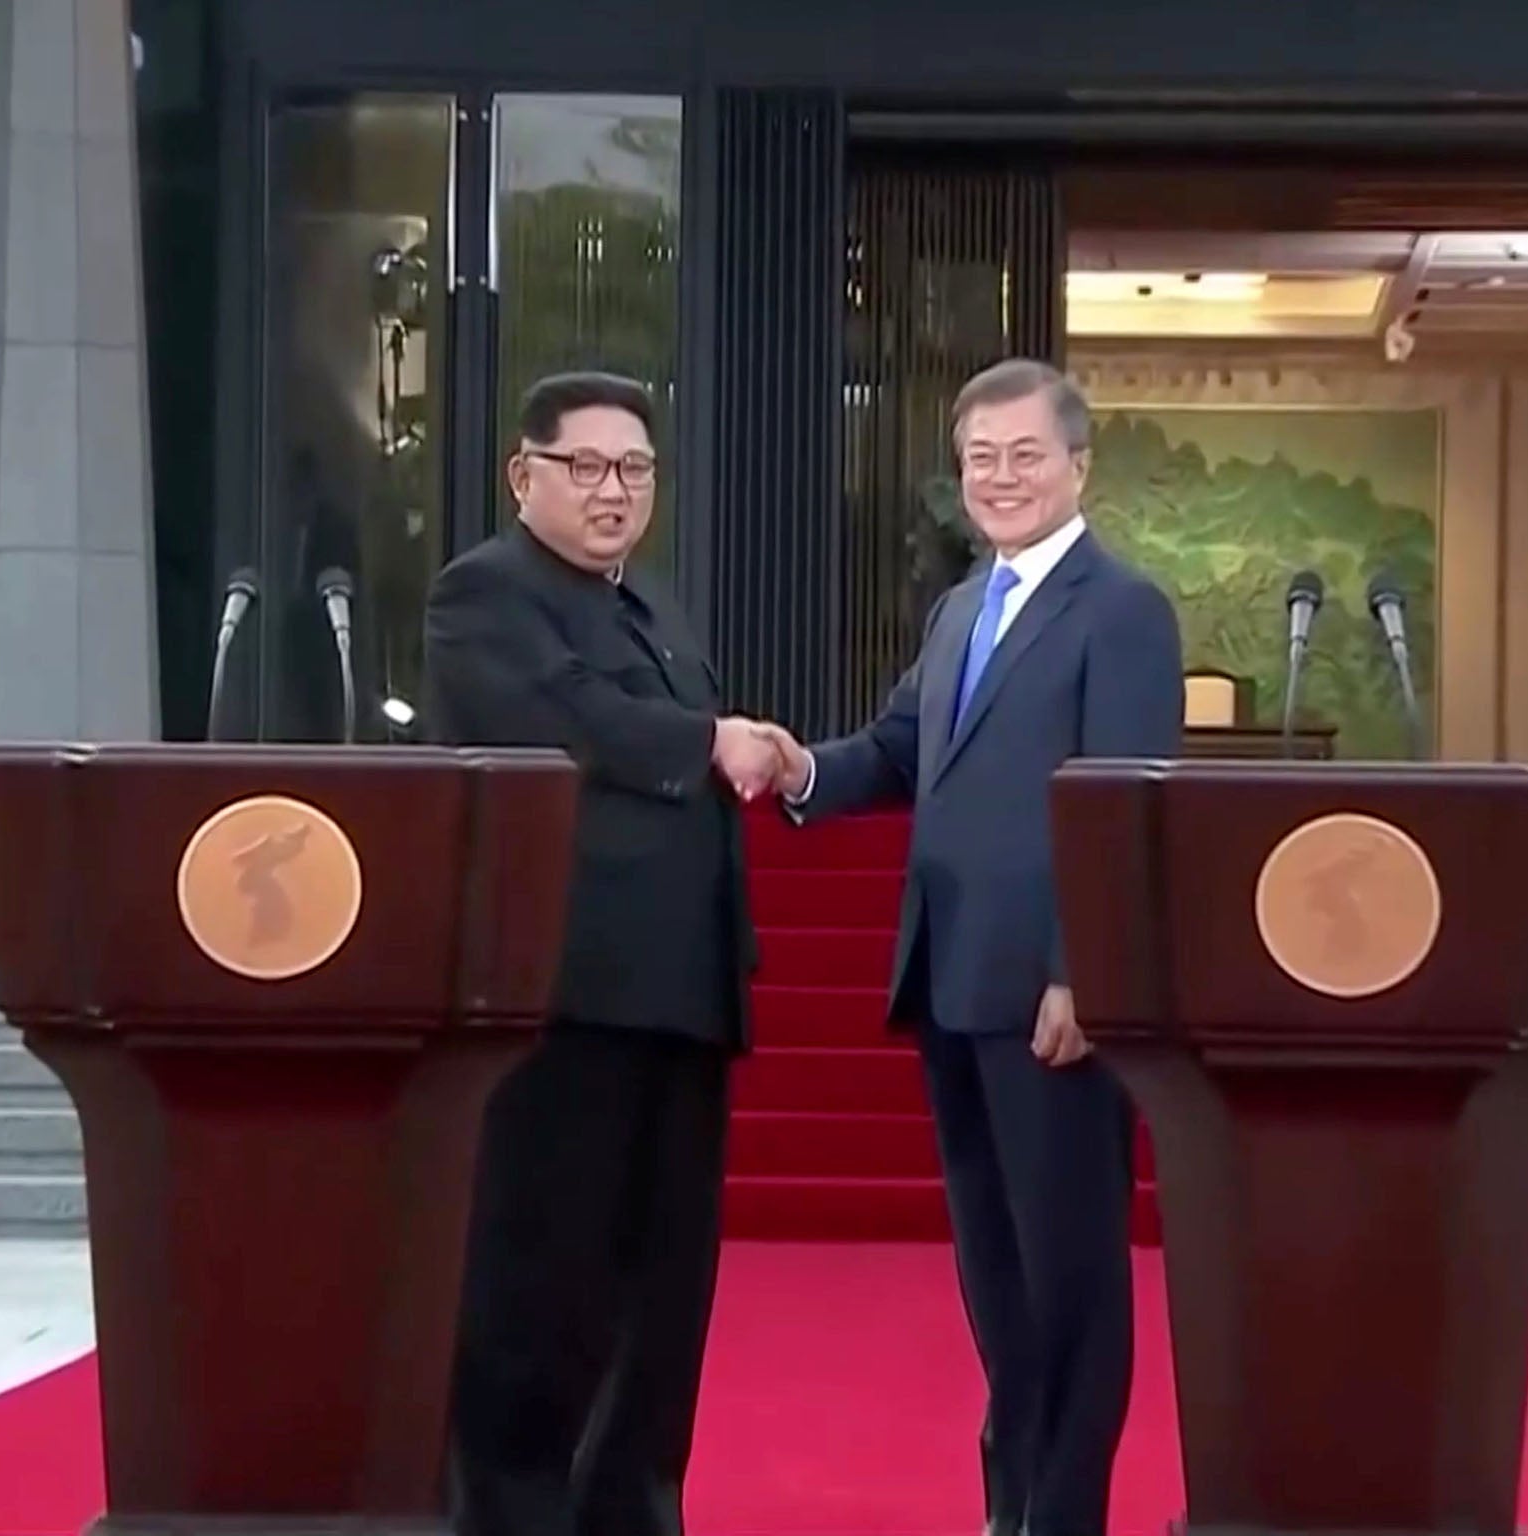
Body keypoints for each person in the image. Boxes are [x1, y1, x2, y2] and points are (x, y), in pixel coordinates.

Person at [750, 358, 1184, 1536]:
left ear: (1077, 465)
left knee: (1070, 1280)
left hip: (1049, 997)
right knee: (996, 1280)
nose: (998, 478)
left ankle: (1065, 1515)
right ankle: (1013, 1503)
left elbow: (1124, 801)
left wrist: (1083, 965)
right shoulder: (960, 609)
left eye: (1023, 455)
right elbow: (894, 751)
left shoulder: (1122, 611)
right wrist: (798, 770)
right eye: (979, 458)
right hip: (948, 982)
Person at [421, 371, 781, 1536]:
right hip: (561, 997)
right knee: (543, 1286)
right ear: (524, 476)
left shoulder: (650, 603)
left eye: (634, 468)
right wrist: (709, 737)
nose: (613, 490)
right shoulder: (485, 592)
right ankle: (511, 1515)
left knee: (662, 1293)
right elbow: (565, 719)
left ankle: (629, 1512)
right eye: (586, 467)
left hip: (677, 999)